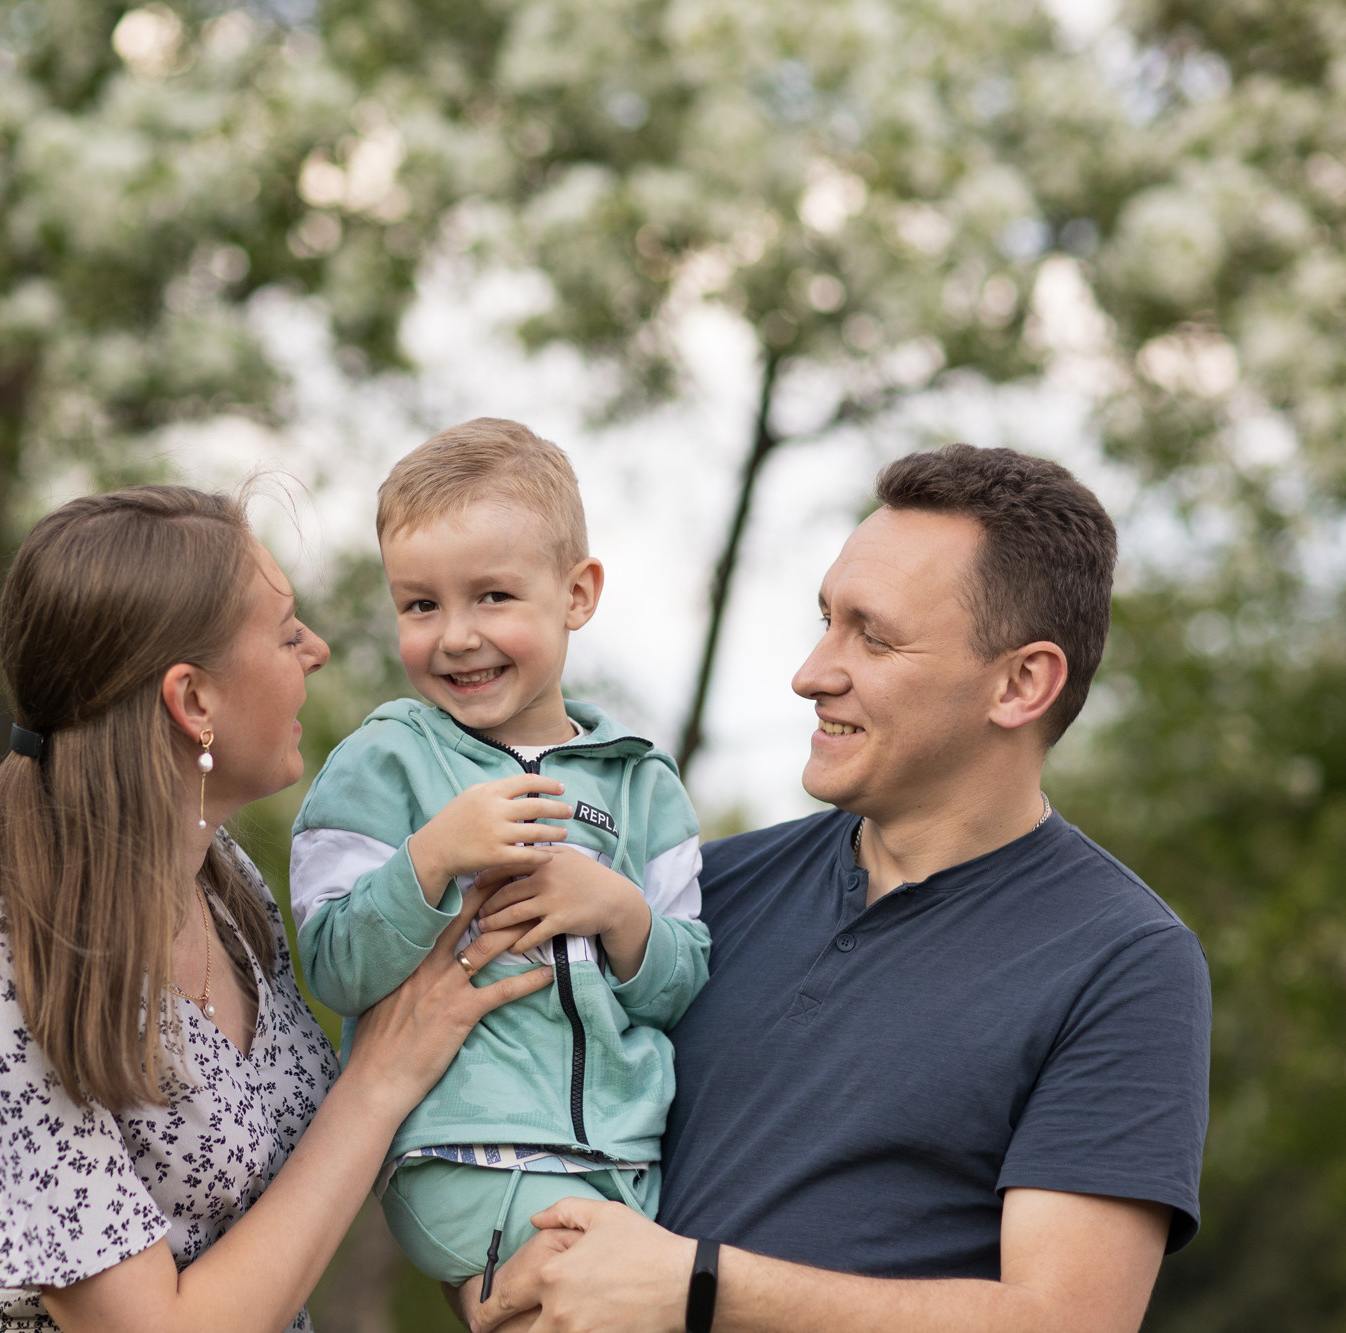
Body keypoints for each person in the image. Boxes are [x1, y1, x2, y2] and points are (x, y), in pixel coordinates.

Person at [469, 444, 1213, 1333]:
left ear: (1021, 683)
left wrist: (699, 1286)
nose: (812, 672)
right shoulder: (700, 895)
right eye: (826, 619)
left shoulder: (1124, 961)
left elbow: (1069, 1320)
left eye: (873, 634)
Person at [0, 485, 555, 1333]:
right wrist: (380, 1080)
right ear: (194, 702)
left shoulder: (226, 888)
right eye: (288, 631)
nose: (318, 650)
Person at [290, 420, 712, 1299]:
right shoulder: (386, 761)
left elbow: (683, 984)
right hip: (465, 1154)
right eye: (420, 605)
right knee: (604, 1301)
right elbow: (333, 963)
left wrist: (620, 911)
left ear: (577, 593)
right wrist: (432, 857)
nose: (454, 636)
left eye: (492, 596)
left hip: (629, 1158)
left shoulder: (640, 781)